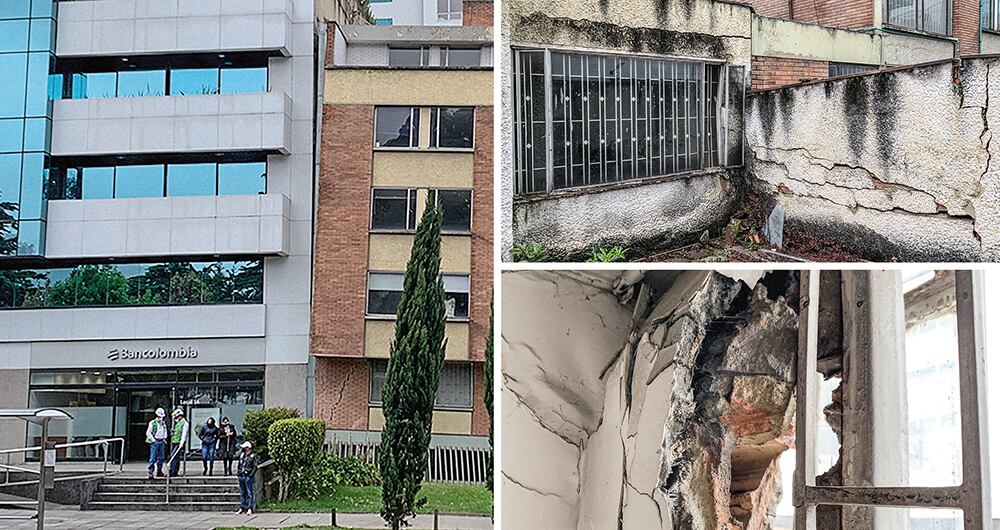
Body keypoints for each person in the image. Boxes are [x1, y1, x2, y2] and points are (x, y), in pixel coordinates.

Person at [236, 441, 259, 515]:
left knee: (250, 493)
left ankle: (250, 508)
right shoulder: (242, 455)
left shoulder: (253, 456)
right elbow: (239, 465)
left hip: (248, 476)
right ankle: (242, 507)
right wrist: (238, 473)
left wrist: (250, 475)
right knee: (242, 493)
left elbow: (255, 466)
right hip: (241, 476)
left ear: (248, 448)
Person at [145, 407, 168, 479]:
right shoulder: (152, 423)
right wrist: (153, 440)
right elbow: (148, 433)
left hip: (161, 441)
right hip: (155, 441)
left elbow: (165, 431)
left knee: (161, 457)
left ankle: (159, 471)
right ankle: (150, 471)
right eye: (159, 416)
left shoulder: (163, 423)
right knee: (153, 457)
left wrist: (164, 437)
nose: (161, 418)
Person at [168, 408, 189, 477]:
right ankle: (173, 471)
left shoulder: (185, 423)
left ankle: (173, 471)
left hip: (179, 442)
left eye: (177, 417)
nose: (176, 418)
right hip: (174, 441)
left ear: (180, 416)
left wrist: (181, 443)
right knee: (174, 457)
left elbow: (184, 434)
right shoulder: (178, 423)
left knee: (174, 457)